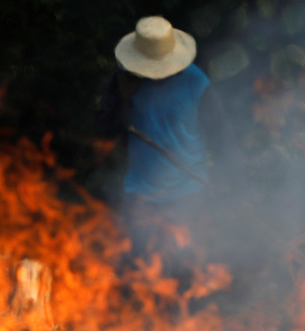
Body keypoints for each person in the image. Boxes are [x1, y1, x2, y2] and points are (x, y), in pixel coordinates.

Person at [95, 16, 240, 262]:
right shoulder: (126, 80)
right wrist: (124, 98)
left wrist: (236, 186)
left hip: (188, 197)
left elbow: (222, 137)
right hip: (141, 197)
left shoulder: (196, 83)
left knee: (185, 274)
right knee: (140, 274)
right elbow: (104, 130)